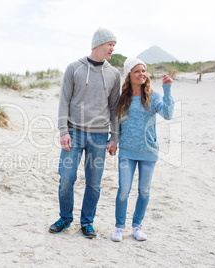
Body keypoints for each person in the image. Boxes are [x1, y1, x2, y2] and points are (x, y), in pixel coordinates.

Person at [49, 27, 121, 239]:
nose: (113, 50)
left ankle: (87, 222)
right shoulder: (74, 68)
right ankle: (65, 218)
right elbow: (64, 101)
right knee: (66, 178)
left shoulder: (114, 74)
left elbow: (115, 108)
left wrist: (114, 136)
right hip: (74, 132)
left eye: (114, 46)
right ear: (99, 43)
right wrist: (64, 131)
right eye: (110, 45)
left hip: (99, 136)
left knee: (94, 183)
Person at [111, 58, 175, 242]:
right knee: (123, 190)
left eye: (143, 71)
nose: (142, 74)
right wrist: (113, 140)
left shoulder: (152, 96)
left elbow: (168, 114)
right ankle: (119, 227)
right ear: (129, 75)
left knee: (144, 191)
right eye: (137, 71)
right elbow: (116, 123)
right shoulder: (122, 98)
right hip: (127, 151)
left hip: (148, 151)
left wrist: (167, 89)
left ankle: (137, 227)